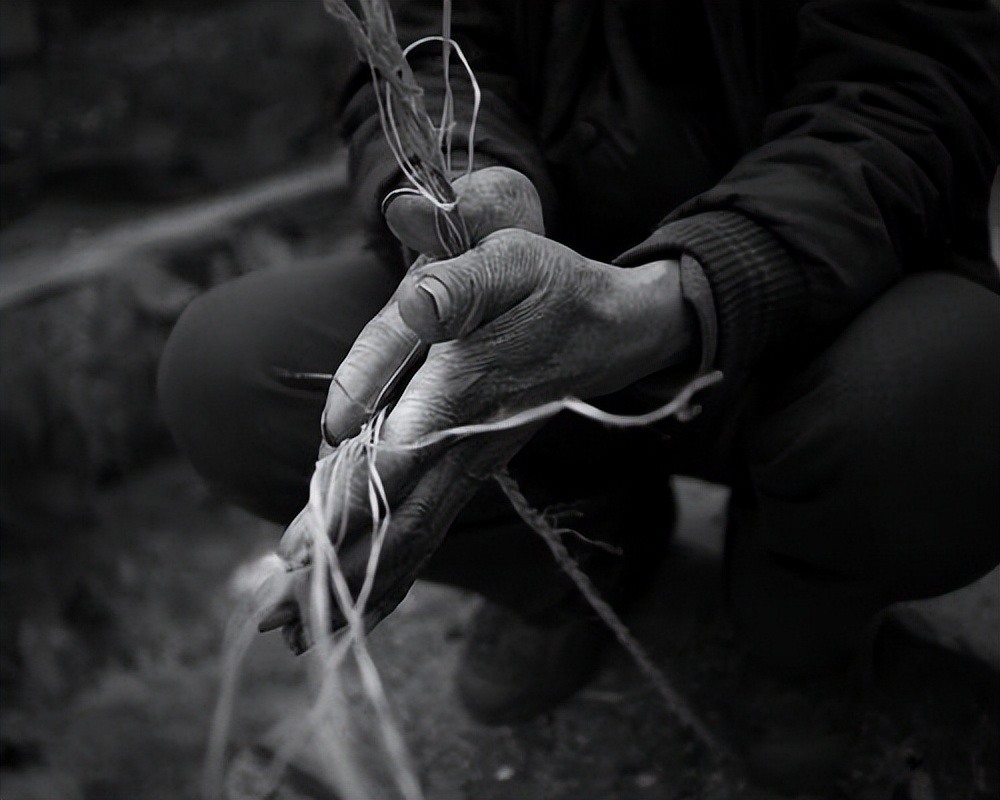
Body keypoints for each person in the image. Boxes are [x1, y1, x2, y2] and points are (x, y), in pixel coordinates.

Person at [158, 0, 1000, 789]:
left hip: (820, 322)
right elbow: (419, 52)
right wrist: (470, 187)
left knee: (957, 404)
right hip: (541, 349)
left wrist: (674, 297)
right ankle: (586, 548)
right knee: (229, 372)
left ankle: (799, 611)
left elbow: (903, 97)